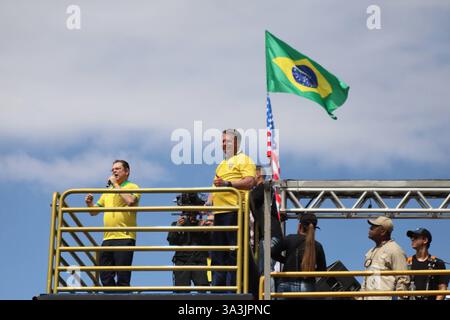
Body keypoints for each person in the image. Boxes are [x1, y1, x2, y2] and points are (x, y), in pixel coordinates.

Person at [210, 129, 256, 289]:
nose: (223, 144)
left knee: (234, 253)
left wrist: (228, 184)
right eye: (222, 141)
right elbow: (214, 187)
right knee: (217, 254)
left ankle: (232, 289)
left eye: (227, 141)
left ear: (236, 142)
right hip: (219, 214)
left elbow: (250, 181)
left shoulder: (244, 159)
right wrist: (207, 204)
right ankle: (217, 291)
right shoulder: (221, 164)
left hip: (235, 211)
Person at [85, 160, 141, 287]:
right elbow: (94, 212)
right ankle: (111, 296)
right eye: (113, 169)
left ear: (127, 171)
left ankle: (122, 297)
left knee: (122, 276)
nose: (114, 171)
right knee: (105, 274)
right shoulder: (108, 191)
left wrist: (116, 185)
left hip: (125, 237)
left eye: (117, 169)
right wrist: (89, 204)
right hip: (107, 238)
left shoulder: (133, 186)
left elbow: (130, 201)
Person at [271, 213, 326, 298]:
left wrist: (286, 260)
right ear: (314, 229)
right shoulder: (318, 246)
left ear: (299, 226)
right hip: (307, 287)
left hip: (286, 285)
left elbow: (273, 252)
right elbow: (322, 271)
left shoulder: (289, 238)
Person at [167, 197, 213, 290]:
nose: (191, 215)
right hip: (182, 261)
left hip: (199, 261)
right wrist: (178, 227)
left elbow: (210, 242)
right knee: (181, 291)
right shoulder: (176, 224)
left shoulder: (202, 224)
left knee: (203, 289)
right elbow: (171, 241)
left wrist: (205, 230)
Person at [361, 216, 409, 300]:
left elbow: (402, 279)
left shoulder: (395, 250)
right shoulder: (370, 252)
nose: (370, 228)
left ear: (383, 231)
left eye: (374, 227)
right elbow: (365, 280)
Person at [249, 165, 284, 274]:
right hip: (269, 235)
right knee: (264, 271)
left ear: (258, 174)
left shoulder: (262, 188)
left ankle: (268, 290)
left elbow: (250, 198)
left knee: (266, 271)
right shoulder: (264, 190)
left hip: (270, 235)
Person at [406, 227, 449, 300]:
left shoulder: (438, 263)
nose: (412, 239)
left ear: (425, 240)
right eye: (411, 237)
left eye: (416, 237)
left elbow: (442, 289)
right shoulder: (407, 262)